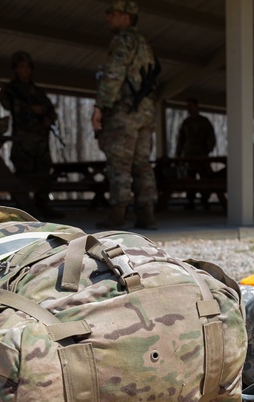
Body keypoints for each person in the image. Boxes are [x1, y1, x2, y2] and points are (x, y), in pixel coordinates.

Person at [92, 0, 159, 230]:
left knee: (120, 164)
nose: (109, 17)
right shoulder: (144, 44)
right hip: (145, 112)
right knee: (142, 164)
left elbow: (113, 74)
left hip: (125, 112)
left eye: (114, 13)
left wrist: (100, 106)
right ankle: (147, 214)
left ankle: (117, 215)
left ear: (126, 16)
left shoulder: (123, 40)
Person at [0, 51, 63, 218]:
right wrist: (30, 108)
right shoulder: (10, 90)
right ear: (15, 69)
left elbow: (51, 110)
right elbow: (8, 105)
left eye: (27, 66)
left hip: (41, 138)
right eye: (21, 66)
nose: (25, 70)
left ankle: (43, 204)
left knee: (44, 172)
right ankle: (23, 207)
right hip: (23, 138)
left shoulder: (38, 92)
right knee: (24, 172)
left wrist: (48, 118)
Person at [175, 98, 217, 209]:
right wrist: (178, 154)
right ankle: (190, 201)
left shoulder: (204, 121)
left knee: (205, 178)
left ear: (197, 106)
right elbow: (181, 139)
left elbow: (211, 137)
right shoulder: (186, 122)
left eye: (191, 105)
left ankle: (205, 200)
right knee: (189, 179)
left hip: (201, 155)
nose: (189, 108)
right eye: (187, 106)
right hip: (188, 154)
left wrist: (207, 150)